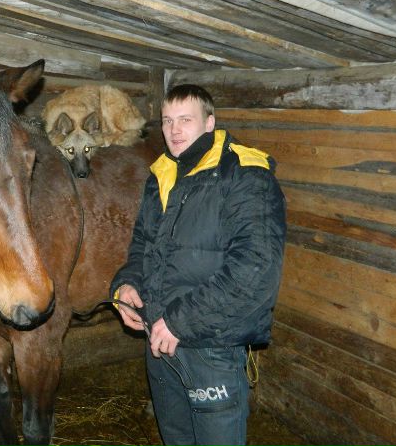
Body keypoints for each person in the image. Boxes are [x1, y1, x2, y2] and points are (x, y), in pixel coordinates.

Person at [110, 84, 286, 446]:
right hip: (157, 334)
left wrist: (180, 323)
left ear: (209, 123)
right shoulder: (161, 174)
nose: (174, 130)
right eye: (167, 121)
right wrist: (126, 286)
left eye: (185, 120)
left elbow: (256, 267)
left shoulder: (245, 174)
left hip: (211, 344)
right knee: (175, 437)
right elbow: (143, 244)